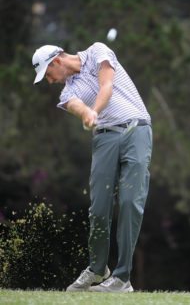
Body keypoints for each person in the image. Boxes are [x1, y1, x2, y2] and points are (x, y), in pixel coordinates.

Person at [32, 42, 153, 293]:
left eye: (47, 74)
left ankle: (122, 278)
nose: (49, 81)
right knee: (98, 207)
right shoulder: (66, 93)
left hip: (136, 131)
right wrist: (87, 114)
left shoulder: (98, 51)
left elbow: (106, 85)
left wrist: (94, 111)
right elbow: (76, 106)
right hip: (105, 139)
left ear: (56, 61)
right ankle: (98, 269)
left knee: (131, 203)